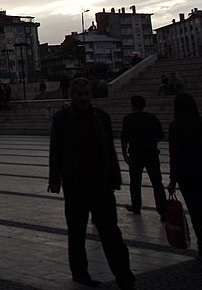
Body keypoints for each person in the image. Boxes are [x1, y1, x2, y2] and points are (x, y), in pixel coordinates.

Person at [48, 78, 135, 290]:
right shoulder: (62, 119)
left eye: (87, 93)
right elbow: (56, 150)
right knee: (76, 233)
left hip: (101, 184)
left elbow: (109, 149)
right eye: (79, 94)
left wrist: (115, 176)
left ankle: (124, 276)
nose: (84, 98)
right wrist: (55, 179)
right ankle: (79, 272)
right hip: (75, 185)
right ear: (72, 96)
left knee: (111, 233)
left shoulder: (101, 117)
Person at [167, 92, 202, 261]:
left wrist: (172, 180)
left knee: (196, 211)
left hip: (187, 176)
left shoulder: (176, 126)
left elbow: (175, 155)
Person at [120, 95, 166, 219]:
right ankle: (162, 210)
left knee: (135, 182)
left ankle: (136, 206)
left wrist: (124, 154)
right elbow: (161, 135)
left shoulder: (128, 119)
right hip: (151, 153)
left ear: (133, 105)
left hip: (136, 154)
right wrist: (151, 142)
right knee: (157, 182)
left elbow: (124, 138)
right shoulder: (152, 118)